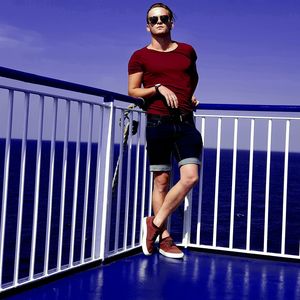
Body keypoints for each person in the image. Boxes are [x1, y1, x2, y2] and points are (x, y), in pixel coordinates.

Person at [128, 2, 203, 259]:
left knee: (190, 176)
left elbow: (192, 78)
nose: (159, 21)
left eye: (164, 17)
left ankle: (155, 224)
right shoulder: (139, 56)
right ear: (148, 25)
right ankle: (166, 238)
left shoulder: (187, 51)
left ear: (171, 22)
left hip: (185, 122)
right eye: (154, 18)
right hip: (158, 121)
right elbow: (133, 90)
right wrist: (157, 88)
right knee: (161, 181)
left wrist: (189, 97)